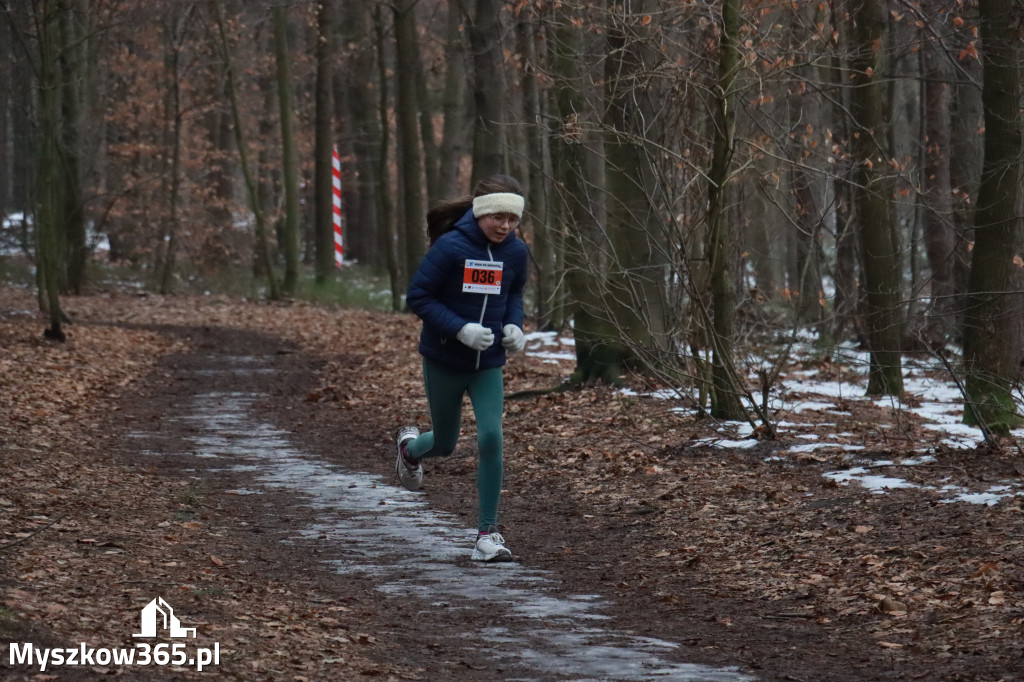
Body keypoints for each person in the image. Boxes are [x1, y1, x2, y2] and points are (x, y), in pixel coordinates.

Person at [396, 174, 529, 563]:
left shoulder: (516, 253)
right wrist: (460, 328)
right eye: (497, 218)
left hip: (487, 365)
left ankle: (487, 534)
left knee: (492, 438)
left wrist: (515, 326)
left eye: (512, 219)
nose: (505, 226)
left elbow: (515, 292)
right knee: (446, 444)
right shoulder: (451, 247)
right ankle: (410, 450)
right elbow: (418, 296)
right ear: (481, 213)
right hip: (445, 360)